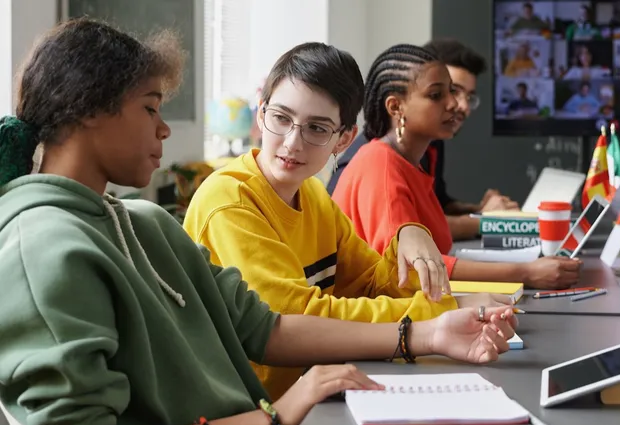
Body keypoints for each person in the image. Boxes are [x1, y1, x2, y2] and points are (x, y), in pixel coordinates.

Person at [0, 19, 518, 425]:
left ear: (342, 138)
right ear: (90, 108)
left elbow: (263, 326)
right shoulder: (43, 248)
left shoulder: (145, 221)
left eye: (317, 128)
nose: (164, 129)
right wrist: (273, 419)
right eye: (152, 107)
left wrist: (429, 331)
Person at [183, 42, 510, 400]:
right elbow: (297, 319)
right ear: (261, 114)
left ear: (344, 139)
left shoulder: (312, 194)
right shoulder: (230, 202)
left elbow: (371, 282)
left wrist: (409, 235)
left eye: (317, 128)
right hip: (251, 412)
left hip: (314, 392)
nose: (293, 142)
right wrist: (444, 309)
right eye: (281, 118)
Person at [331, 44, 582, 289]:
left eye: (452, 92)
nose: (454, 104)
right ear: (396, 107)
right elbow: (408, 270)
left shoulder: (412, 165)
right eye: (436, 95)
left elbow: (435, 257)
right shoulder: (380, 164)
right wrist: (525, 273)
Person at [328, 39, 519, 241]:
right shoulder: (378, 160)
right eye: (441, 93)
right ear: (395, 106)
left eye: (468, 96)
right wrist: (485, 220)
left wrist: (478, 210)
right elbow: (409, 237)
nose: (459, 105)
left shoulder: (428, 143)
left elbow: (435, 206)